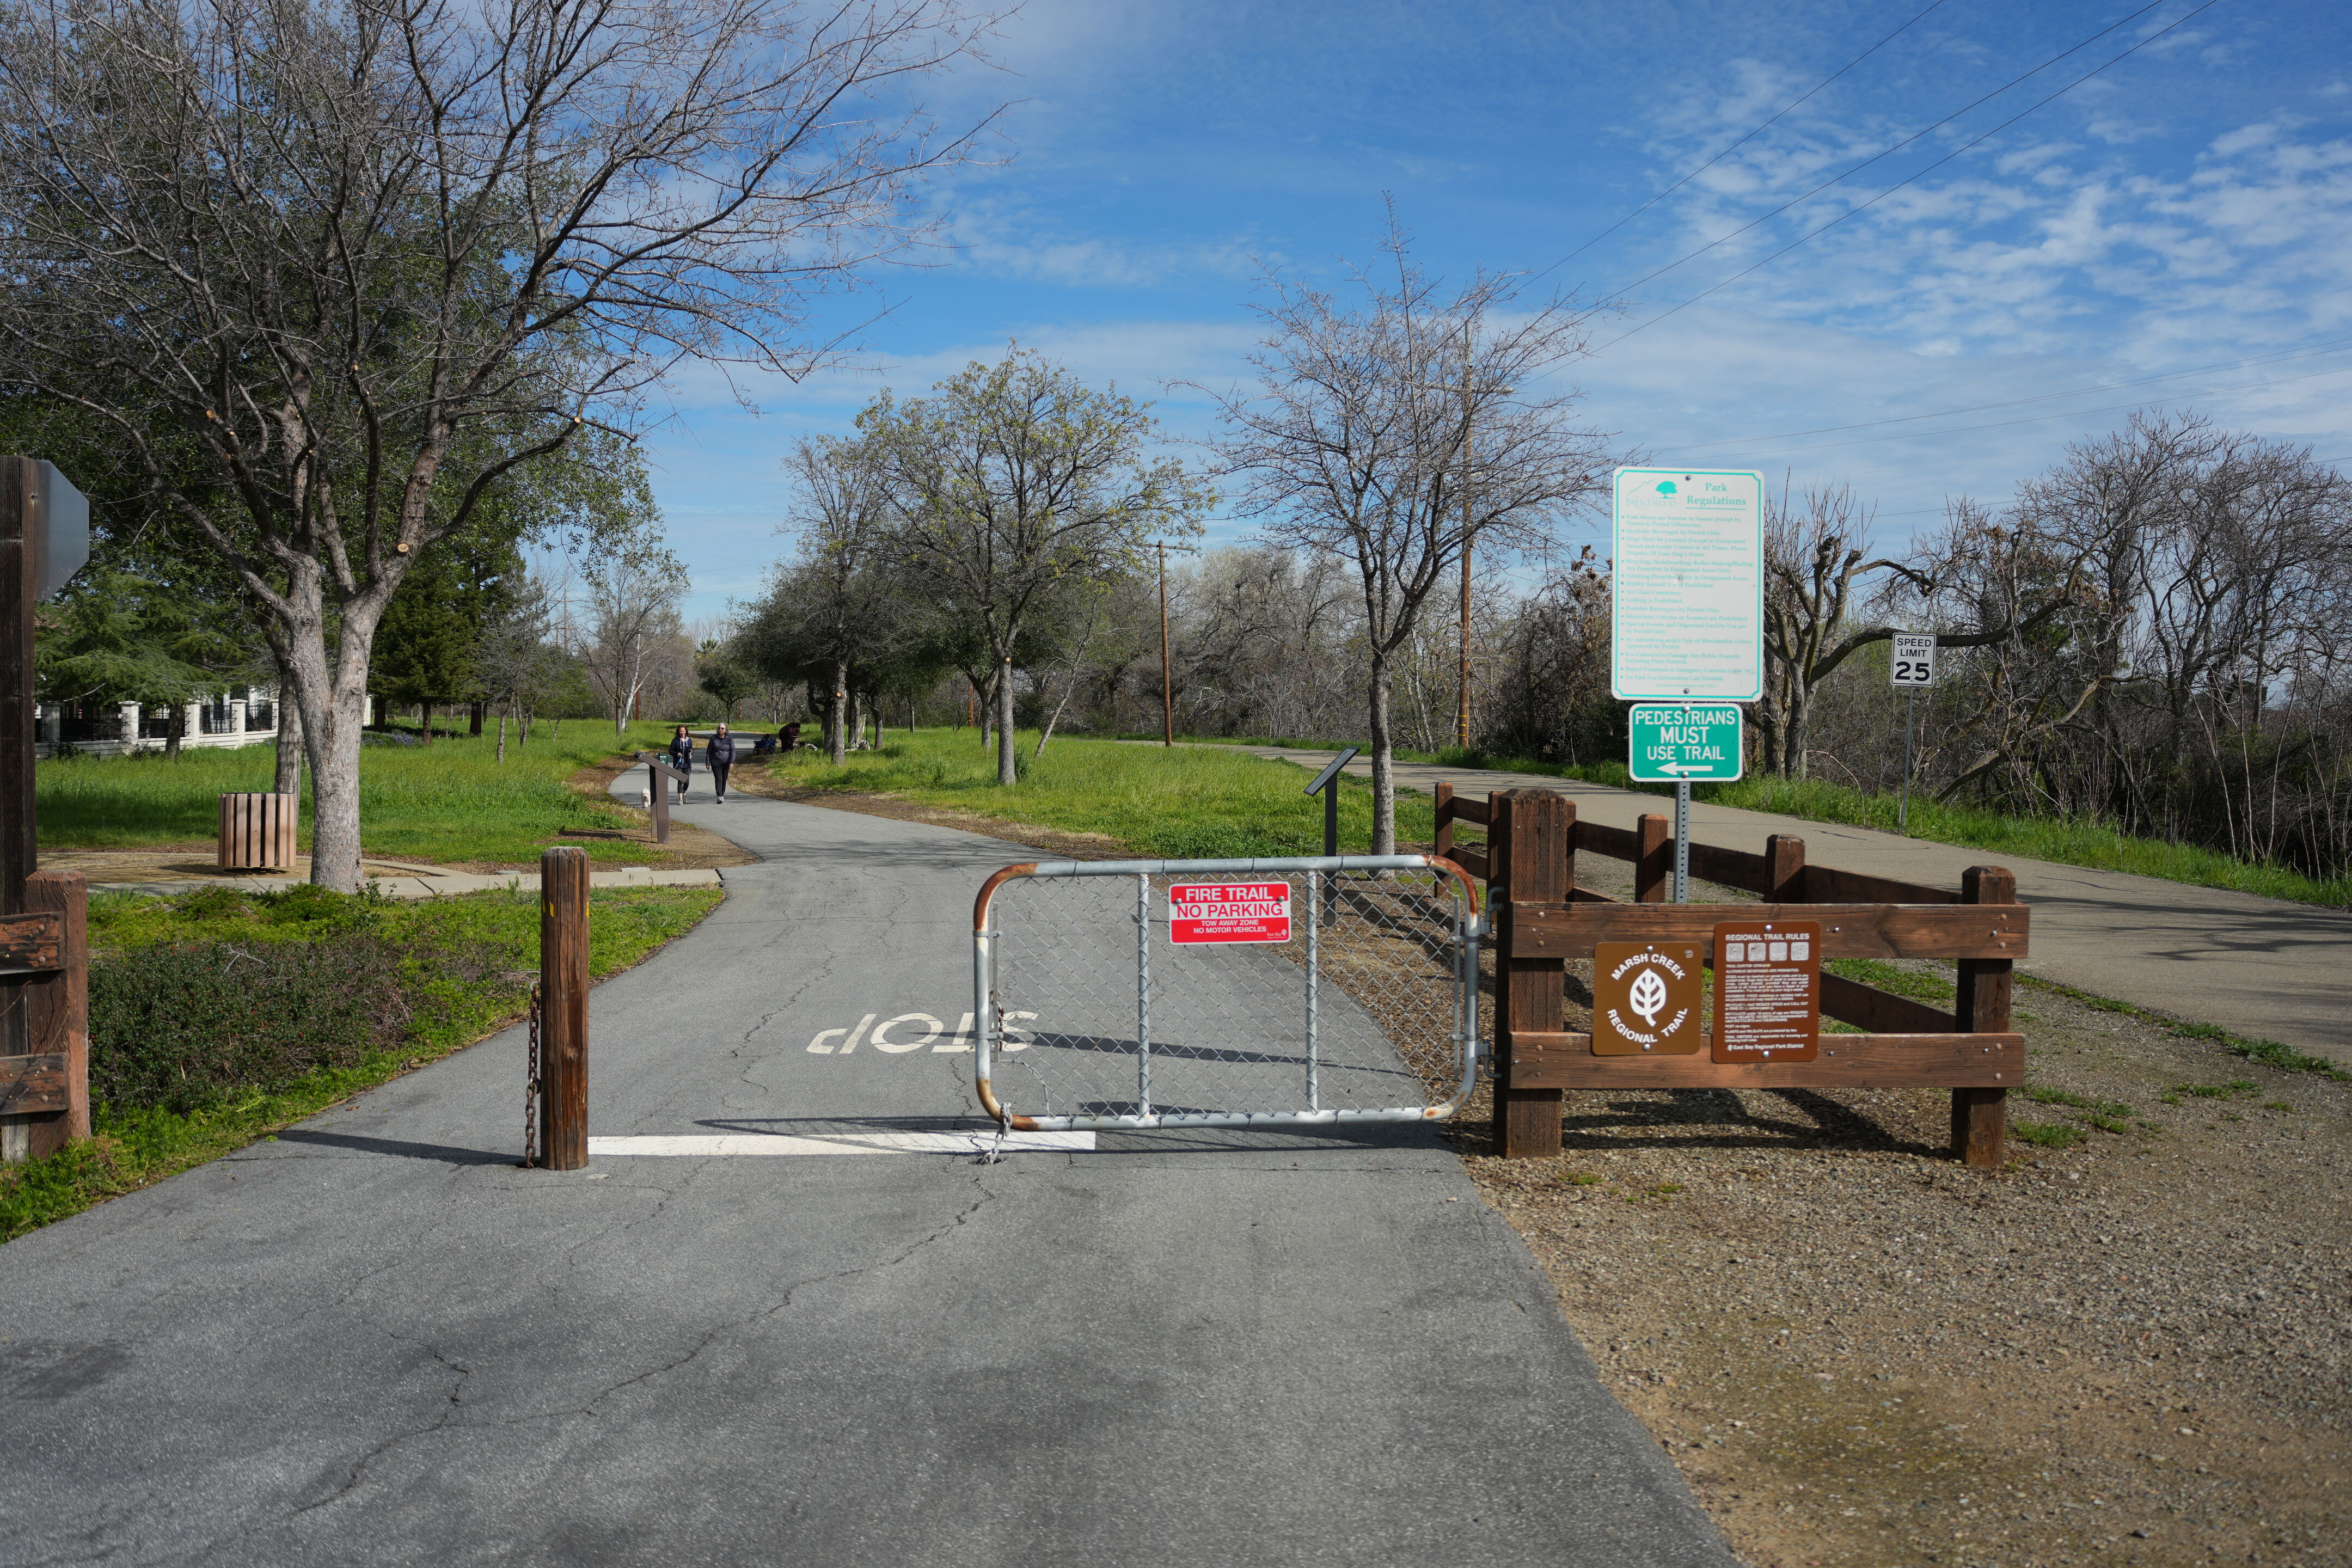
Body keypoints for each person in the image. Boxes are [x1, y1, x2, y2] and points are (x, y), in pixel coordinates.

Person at [706, 722, 737, 804]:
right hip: (716, 762)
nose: (720, 729)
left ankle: (722, 795)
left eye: (722, 728)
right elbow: (709, 751)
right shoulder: (714, 738)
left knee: (724, 779)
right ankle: (719, 796)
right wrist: (707, 762)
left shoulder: (729, 739)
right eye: (719, 728)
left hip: (726, 762)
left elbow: (733, 750)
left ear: (726, 730)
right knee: (719, 779)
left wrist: (732, 762)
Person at [666, 725, 693, 800]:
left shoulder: (689, 740)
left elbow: (692, 750)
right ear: (678, 732)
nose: (682, 733)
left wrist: (692, 751)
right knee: (680, 781)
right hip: (678, 764)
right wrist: (676, 754)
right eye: (681, 731)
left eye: (684, 731)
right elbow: (671, 751)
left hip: (687, 764)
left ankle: (684, 793)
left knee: (687, 782)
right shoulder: (675, 741)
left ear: (686, 731)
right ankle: (681, 799)